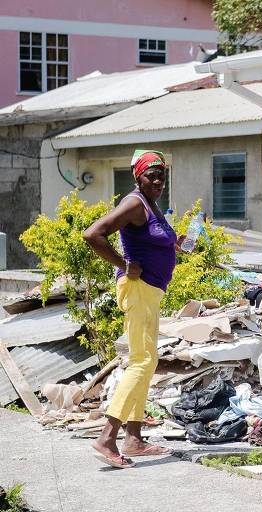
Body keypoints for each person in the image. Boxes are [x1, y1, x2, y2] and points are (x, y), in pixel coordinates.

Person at [83, 149, 185, 469]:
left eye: (162, 175)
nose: (158, 181)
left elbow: (151, 239)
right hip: (138, 290)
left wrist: (173, 244)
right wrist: (125, 264)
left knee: (147, 360)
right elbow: (93, 234)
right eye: (151, 175)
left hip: (150, 292)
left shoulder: (151, 204)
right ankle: (108, 436)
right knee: (141, 361)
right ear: (137, 177)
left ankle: (135, 437)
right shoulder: (134, 202)